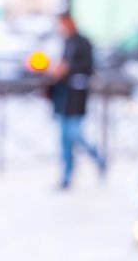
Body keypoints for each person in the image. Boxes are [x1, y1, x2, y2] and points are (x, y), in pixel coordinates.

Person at [48, 12, 105, 189]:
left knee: (75, 135)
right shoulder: (67, 42)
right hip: (63, 97)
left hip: (76, 97)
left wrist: (67, 70)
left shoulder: (83, 42)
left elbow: (86, 68)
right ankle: (67, 175)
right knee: (64, 138)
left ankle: (98, 158)